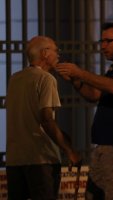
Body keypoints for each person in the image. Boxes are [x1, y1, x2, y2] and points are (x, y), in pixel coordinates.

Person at [56, 21, 113, 200]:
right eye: (101, 41)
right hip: (106, 144)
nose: (103, 46)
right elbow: (94, 95)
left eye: (108, 41)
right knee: (95, 193)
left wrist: (80, 73)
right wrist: (74, 80)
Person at [5, 36, 81, 200]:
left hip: (14, 160)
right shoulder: (46, 79)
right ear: (45, 53)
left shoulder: (14, 79)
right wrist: (69, 150)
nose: (58, 54)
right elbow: (46, 119)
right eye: (55, 50)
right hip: (41, 159)